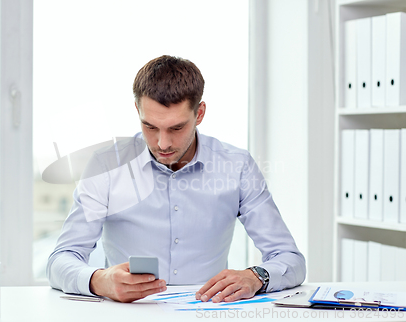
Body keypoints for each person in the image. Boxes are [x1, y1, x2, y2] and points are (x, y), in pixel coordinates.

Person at [47, 55, 306, 303]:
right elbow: (61, 259)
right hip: (128, 313)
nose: (163, 143)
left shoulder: (237, 166)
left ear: (200, 114)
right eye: (150, 126)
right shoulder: (106, 165)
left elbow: (289, 258)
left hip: (208, 310)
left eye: (176, 128)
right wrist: (98, 280)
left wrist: (256, 277)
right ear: (137, 110)